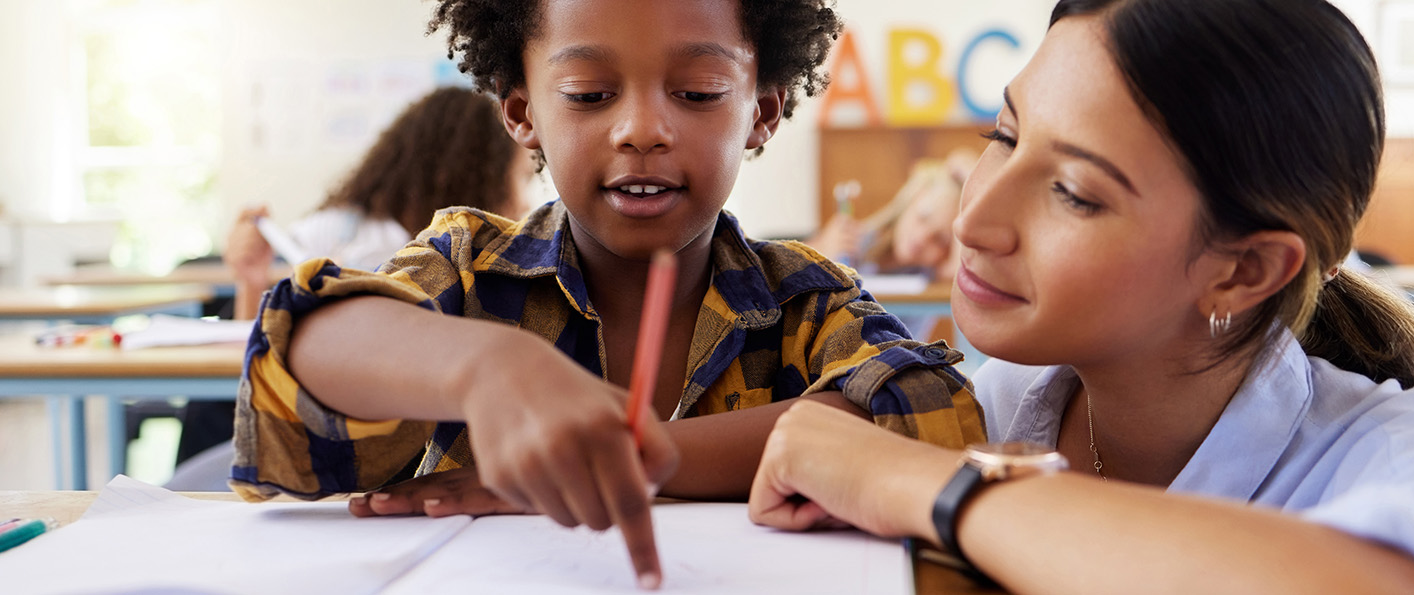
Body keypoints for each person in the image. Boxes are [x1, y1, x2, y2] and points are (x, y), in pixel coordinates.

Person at [747, 1, 1414, 593]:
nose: (976, 218)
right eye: (1004, 135)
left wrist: (920, 486)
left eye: (1073, 191)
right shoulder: (997, 399)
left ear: (1242, 271)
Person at [229, 0, 986, 588]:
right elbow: (301, 357)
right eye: (589, 94)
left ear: (761, 112)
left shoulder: (805, 298)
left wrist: (628, 455)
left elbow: (933, 413)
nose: (642, 128)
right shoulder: (469, 268)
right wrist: (485, 367)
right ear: (523, 112)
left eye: (697, 91)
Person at [168, 86, 535, 481]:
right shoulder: (339, 234)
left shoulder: (479, 263)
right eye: (523, 179)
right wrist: (252, 282)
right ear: (476, 176)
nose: (528, 201)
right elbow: (255, 354)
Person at [808, 149, 976, 280]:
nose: (921, 237)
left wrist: (971, 186)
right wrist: (821, 255)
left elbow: (958, 272)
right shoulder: (853, 242)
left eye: (940, 240)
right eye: (922, 217)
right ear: (910, 200)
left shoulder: (929, 275)